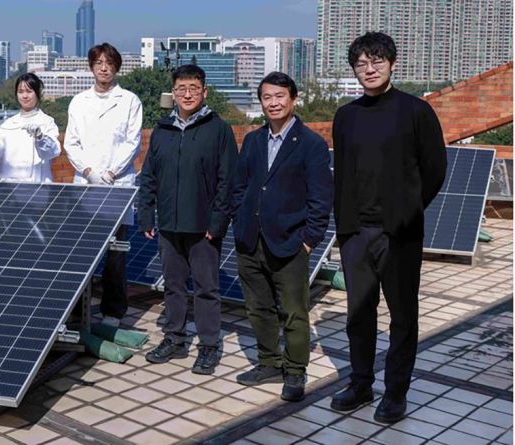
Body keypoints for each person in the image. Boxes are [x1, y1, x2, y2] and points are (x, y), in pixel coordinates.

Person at [329, 32, 446, 423]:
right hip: (355, 233)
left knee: (402, 316)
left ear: (392, 63)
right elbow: (342, 172)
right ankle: (361, 383)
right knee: (358, 315)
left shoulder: (415, 111)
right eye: (361, 63)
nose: (370, 68)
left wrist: (407, 212)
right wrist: (343, 226)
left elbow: (434, 170)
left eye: (377, 60)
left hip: (399, 233)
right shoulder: (346, 116)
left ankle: (396, 392)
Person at [232, 72, 332, 402]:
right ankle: (268, 362)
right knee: (258, 308)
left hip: (290, 243)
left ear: (293, 99)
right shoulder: (253, 140)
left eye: (279, 96)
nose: (273, 103)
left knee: (293, 312)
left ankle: (295, 370)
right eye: (266, 98)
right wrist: (239, 220)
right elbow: (240, 186)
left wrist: (308, 240)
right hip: (250, 240)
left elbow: (321, 200)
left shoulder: (312, 145)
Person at [137, 64, 237, 375]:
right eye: (181, 89)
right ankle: (175, 339)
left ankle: (208, 345)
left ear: (204, 92)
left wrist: (217, 222)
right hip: (168, 223)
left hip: (203, 226)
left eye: (194, 88)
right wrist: (146, 215)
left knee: (207, 288)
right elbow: (149, 176)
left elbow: (227, 180)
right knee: (173, 286)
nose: (188, 94)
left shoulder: (218, 129)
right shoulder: (162, 130)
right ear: (173, 93)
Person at [64, 42, 143, 327]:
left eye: (109, 62)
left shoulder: (130, 100)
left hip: (116, 185)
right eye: (98, 62)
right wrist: (88, 171)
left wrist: (109, 174)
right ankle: (75, 312)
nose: (104, 67)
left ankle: (113, 312)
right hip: (84, 184)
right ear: (91, 67)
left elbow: (133, 142)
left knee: (115, 254)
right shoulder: (79, 102)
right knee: (81, 253)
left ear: (117, 66)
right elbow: (70, 143)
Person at [0, 73, 61, 182]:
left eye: (29, 91)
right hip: (11, 187)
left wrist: (40, 137)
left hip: (38, 185)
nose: (25, 96)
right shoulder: (8, 124)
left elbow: (53, 152)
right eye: (20, 92)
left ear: (38, 93)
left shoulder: (47, 122)